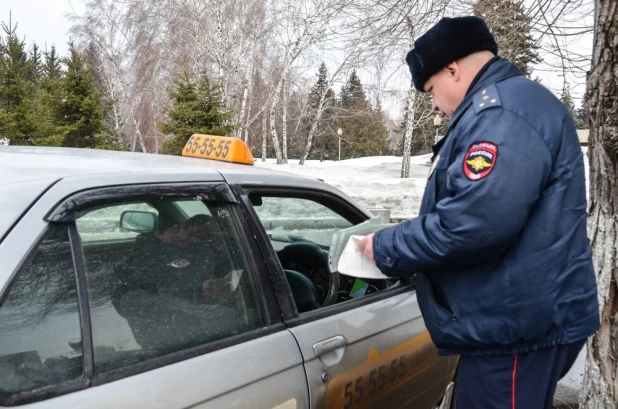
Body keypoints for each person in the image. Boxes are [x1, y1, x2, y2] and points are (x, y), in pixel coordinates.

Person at [358, 16, 599, 409]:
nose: (433, 104)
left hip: (514, 331)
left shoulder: (499, 115)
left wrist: (386, 246)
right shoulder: (512, 105)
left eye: (431, 89)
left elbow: (474, 223)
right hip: (522, 318)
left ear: (452, 68)